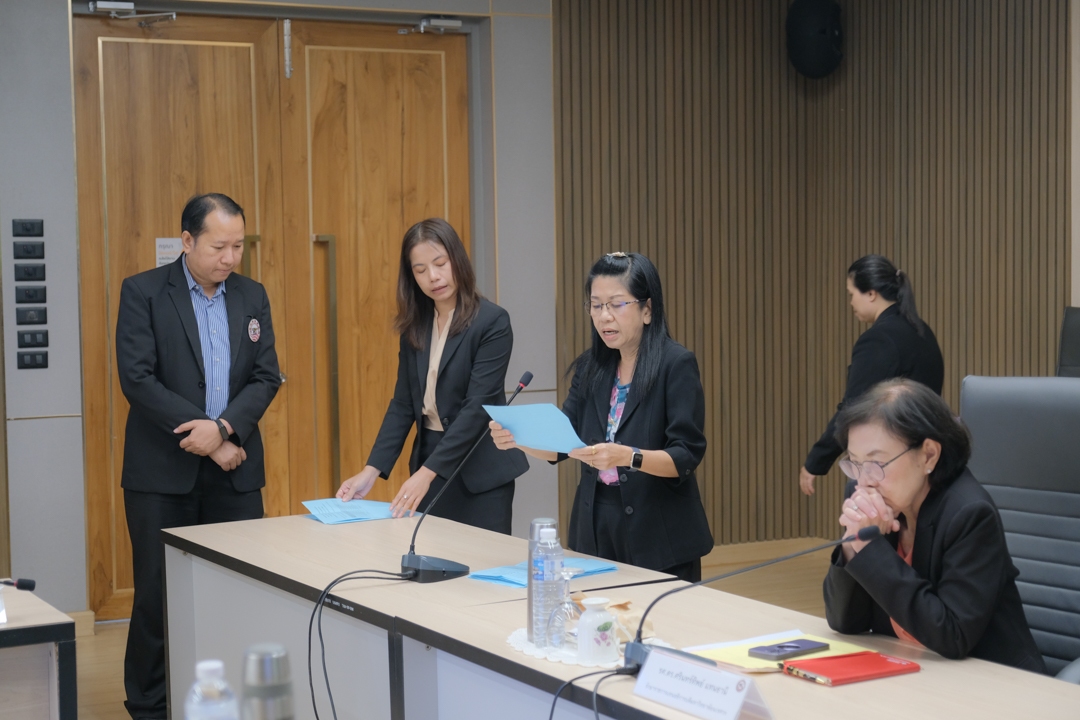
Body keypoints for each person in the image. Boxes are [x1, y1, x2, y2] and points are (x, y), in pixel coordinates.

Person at [116, 193, 282, 719]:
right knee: (157, 596)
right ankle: (150, 706)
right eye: (218, 247)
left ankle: (227, 699)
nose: (230, 258)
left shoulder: (252, 295)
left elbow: (266, 376)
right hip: (162, 476)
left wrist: (225, 429)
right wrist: (206, 435)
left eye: (238, 246)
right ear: (187, 241)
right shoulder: (143, 292)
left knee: (237, 590)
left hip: (235, 473)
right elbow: (137, 379)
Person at [490, 252, 712, 582]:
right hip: (595, 526)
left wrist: (628, 457)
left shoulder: (675, 364)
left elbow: (685, 456)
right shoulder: (590, 367)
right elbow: (562, 444)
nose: (604, 316)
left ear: (647, 310)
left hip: (658, 532)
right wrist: (517, 438)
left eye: (616, 304)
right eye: (596, 305)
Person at [823, 379, 1046, 673]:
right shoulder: (869, 498)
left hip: (994, 680)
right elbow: (844, 621)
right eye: (854, 463)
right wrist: (853, 545)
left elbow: (952, 636)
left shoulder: (969, 513)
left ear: (929, 454)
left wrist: (870, 548)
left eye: (876, 464)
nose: (864, 481)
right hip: (912, 672)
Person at [336, 218, 528, 533]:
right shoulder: (415, 326)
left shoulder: (492, 321)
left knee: (480, 562)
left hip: (479, 471)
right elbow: (402, 404)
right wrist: (371, 470)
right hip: (430, 457)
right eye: (420, 270)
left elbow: (476, 409)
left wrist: (426, 473)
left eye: (440, 264)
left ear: (458, 260)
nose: (433, 277)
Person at [800, 254, 944, 495]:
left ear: (870, 294)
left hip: (893, 464)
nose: (851, 303)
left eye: (851, 294)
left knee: (856, 498)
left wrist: (816, 461)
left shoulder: (879, 340)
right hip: (928, 460)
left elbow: (853, 409)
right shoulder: (921, 330)